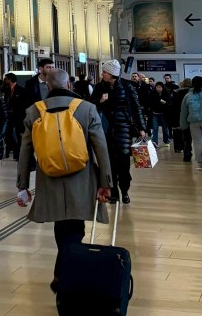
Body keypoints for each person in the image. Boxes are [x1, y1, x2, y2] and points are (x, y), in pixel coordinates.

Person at [16, 68, 112, 292]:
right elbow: (101, 146)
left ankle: (64, 272)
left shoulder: (34, 111)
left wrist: (22, 184)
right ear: (69, 84)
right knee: (76, 226)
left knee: (62, 224)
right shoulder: (87, 109)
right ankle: (65, 272)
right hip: (81, 176)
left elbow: (25, 150)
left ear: (47, 86)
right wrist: (105, 182)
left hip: (49, 178)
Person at [91, 59, 147, 204]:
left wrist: (141, 128)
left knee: (123, 162)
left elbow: (136, 108)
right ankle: (113, 192)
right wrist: (100, 101)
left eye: (104, 72)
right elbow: (90, 105)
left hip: (123, 128)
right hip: (105, 128)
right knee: (109, 162)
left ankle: (125, 189)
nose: (102, 74)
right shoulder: (99, 88)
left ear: (111, 74)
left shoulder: (127, 87)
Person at [179, 76, 202, 171]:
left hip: (193, 122)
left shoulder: (188, 95)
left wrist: (183, 125)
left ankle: (200, 162)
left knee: (197, 142)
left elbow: (183, 112)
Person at [4, 73, 28, 158]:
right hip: (9, 117)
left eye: (6, 79)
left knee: (19, 134)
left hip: (19, 116)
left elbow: (24, 104)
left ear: (10, 79)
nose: (5, 81)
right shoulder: (6, 90)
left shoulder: (21, 90)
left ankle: (17, 153)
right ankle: (13, 148)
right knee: (8, 134)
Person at [147, 81, 170, 147]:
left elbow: (168, 104)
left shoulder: (166, 94)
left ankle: (166, 141)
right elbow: (149, 103)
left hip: (163, 114)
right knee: (155, 128)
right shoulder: (152, 94)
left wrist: (162, 101)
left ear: (162, 88)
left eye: (160, 87)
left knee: (165, 128)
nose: (158, 89)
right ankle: (155, 142)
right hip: (155, 113)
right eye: (157, 87)